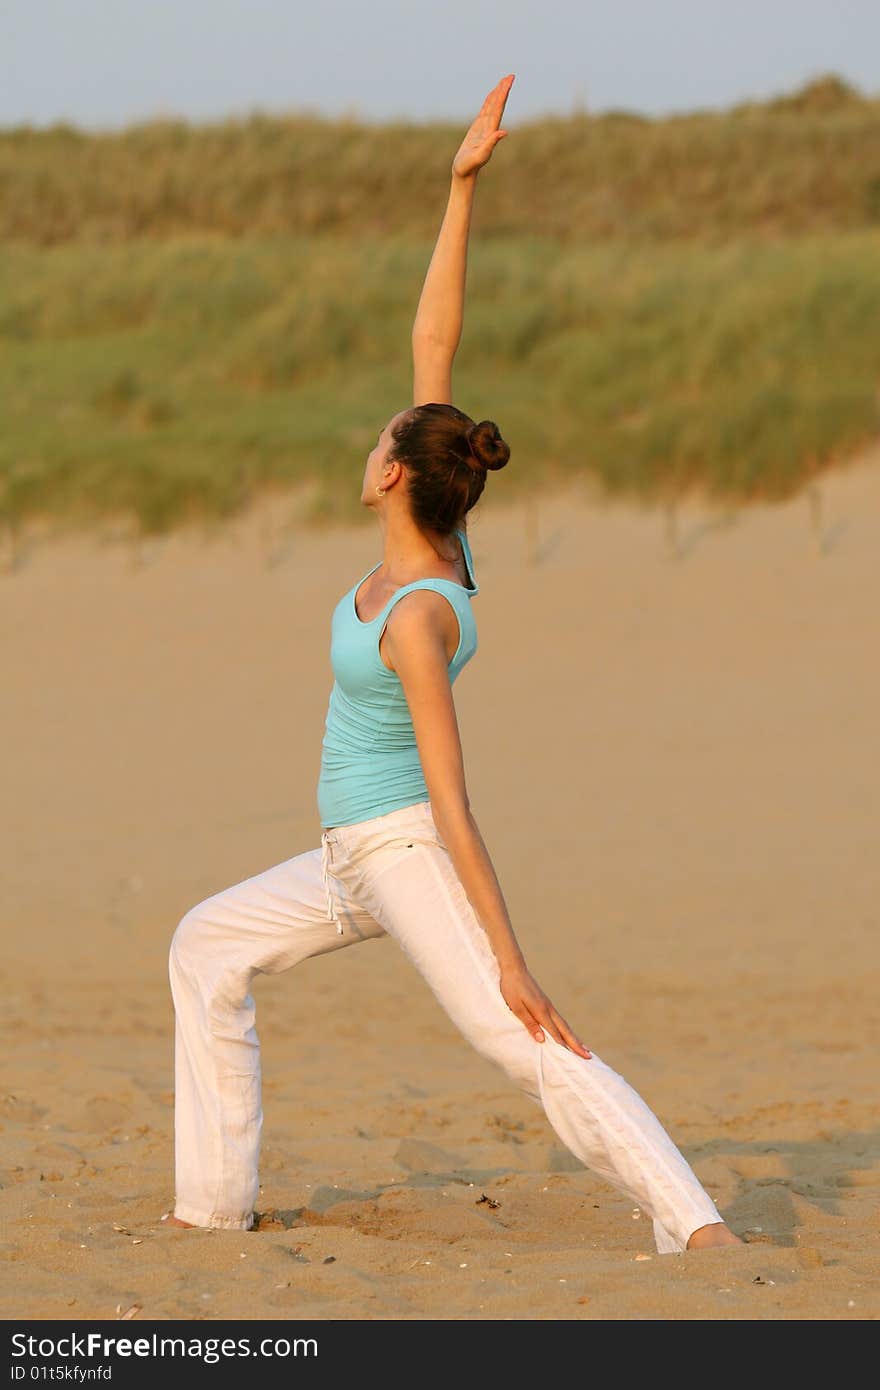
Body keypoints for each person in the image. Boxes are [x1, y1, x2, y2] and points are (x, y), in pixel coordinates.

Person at [166, 74, 741, 1255]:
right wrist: (459, 184)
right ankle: (210, 1209)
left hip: (404, 849)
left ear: (391, 474)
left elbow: (451, 803)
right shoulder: (439, 525)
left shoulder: (421, 613)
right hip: (343, 855)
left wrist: (513, 957)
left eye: (383, 435)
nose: (375, 435)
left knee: (519, 1035)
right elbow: (436, 332)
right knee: (206, 944)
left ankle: (694, 1225)